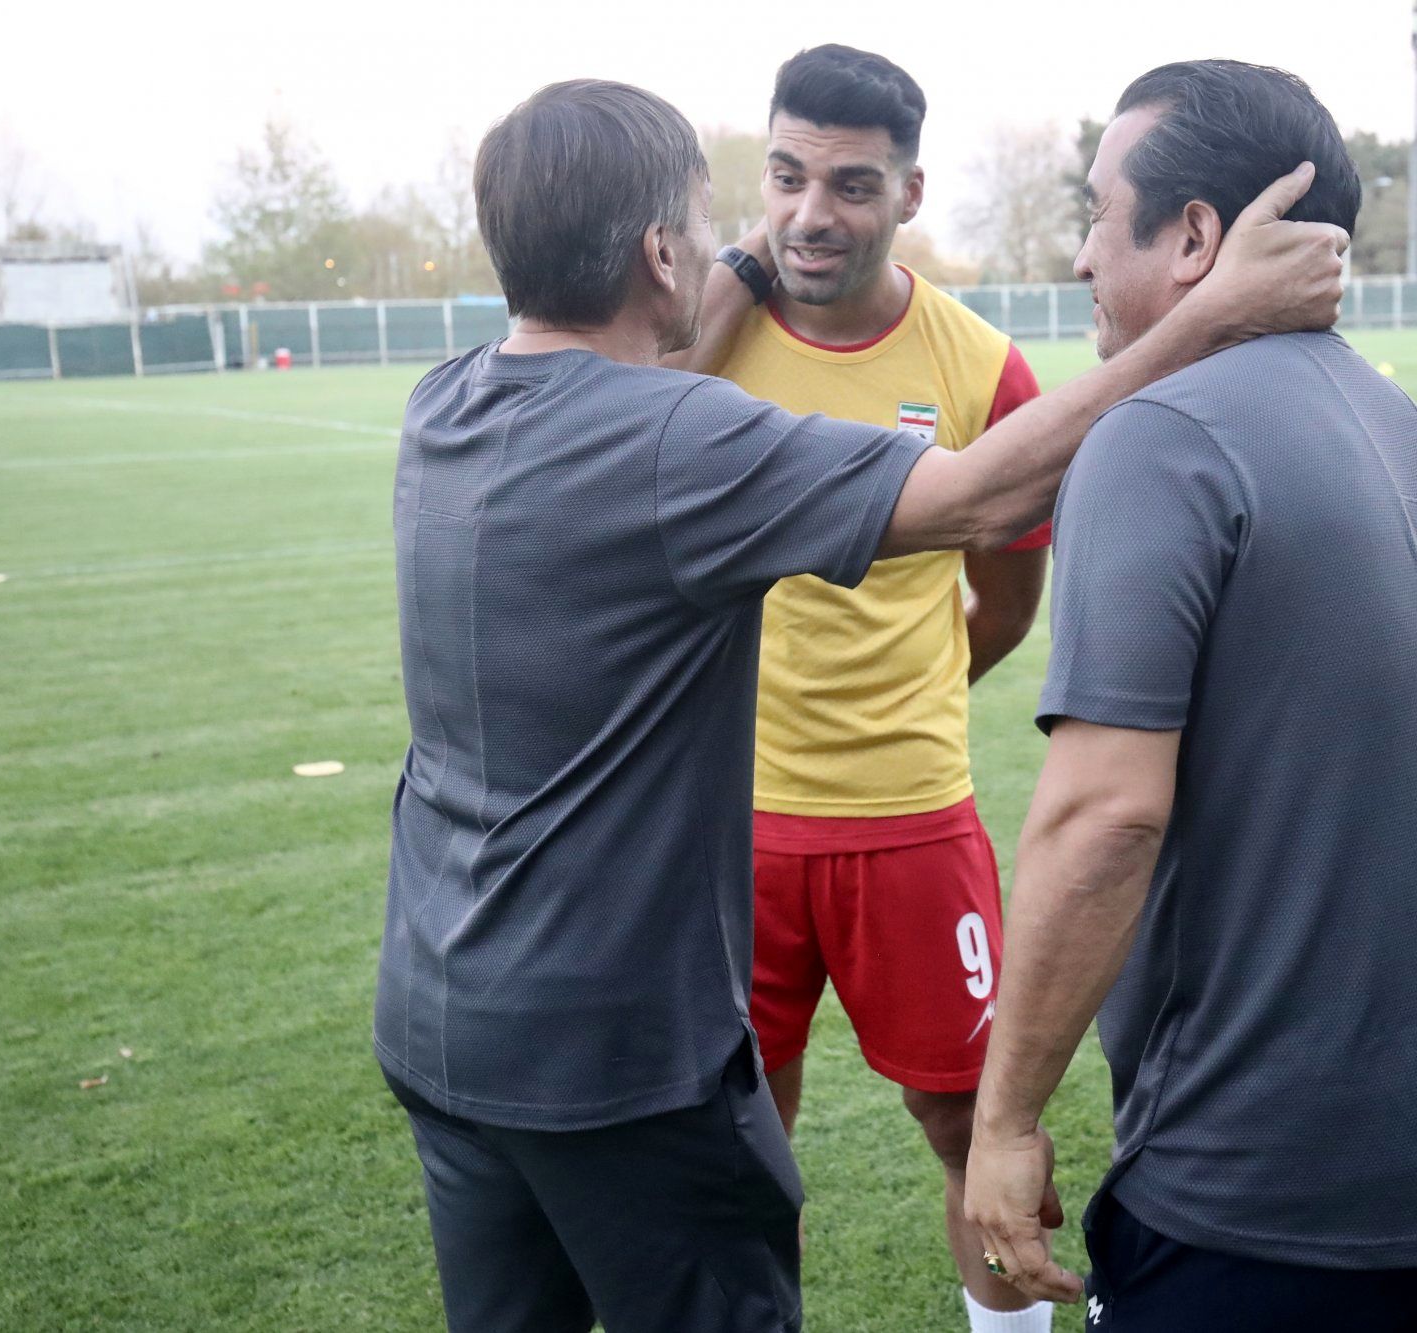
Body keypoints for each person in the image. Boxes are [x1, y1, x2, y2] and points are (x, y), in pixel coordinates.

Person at [372, 77, 1347, 1333]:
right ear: (664, 253)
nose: (768, 233)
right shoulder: (674, 437)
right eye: (726, 214)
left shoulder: (440, 402)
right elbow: (982, 500)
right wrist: (1215, 314)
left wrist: (732, 258)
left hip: (444, 1027)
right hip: (618, 1054)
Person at [963, 61, 1417, 1332]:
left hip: (1255, 1172)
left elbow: (1103, 816)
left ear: (1195, 238)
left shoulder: (1156, 437)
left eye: (1099, 213)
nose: (1076, 256)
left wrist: (1002, 1122)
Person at [675, 45, 1054, 1333]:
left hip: (910, 822)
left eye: (849, 184)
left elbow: (1005, 596)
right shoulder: (701, 348)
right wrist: (718, 297)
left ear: (910, 192)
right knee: (738, 1137)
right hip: (731, 826)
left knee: (967, 1123)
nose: (808, 213)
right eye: (785, 176)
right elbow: (607, 453)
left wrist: (918, 695)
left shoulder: (980, 367)